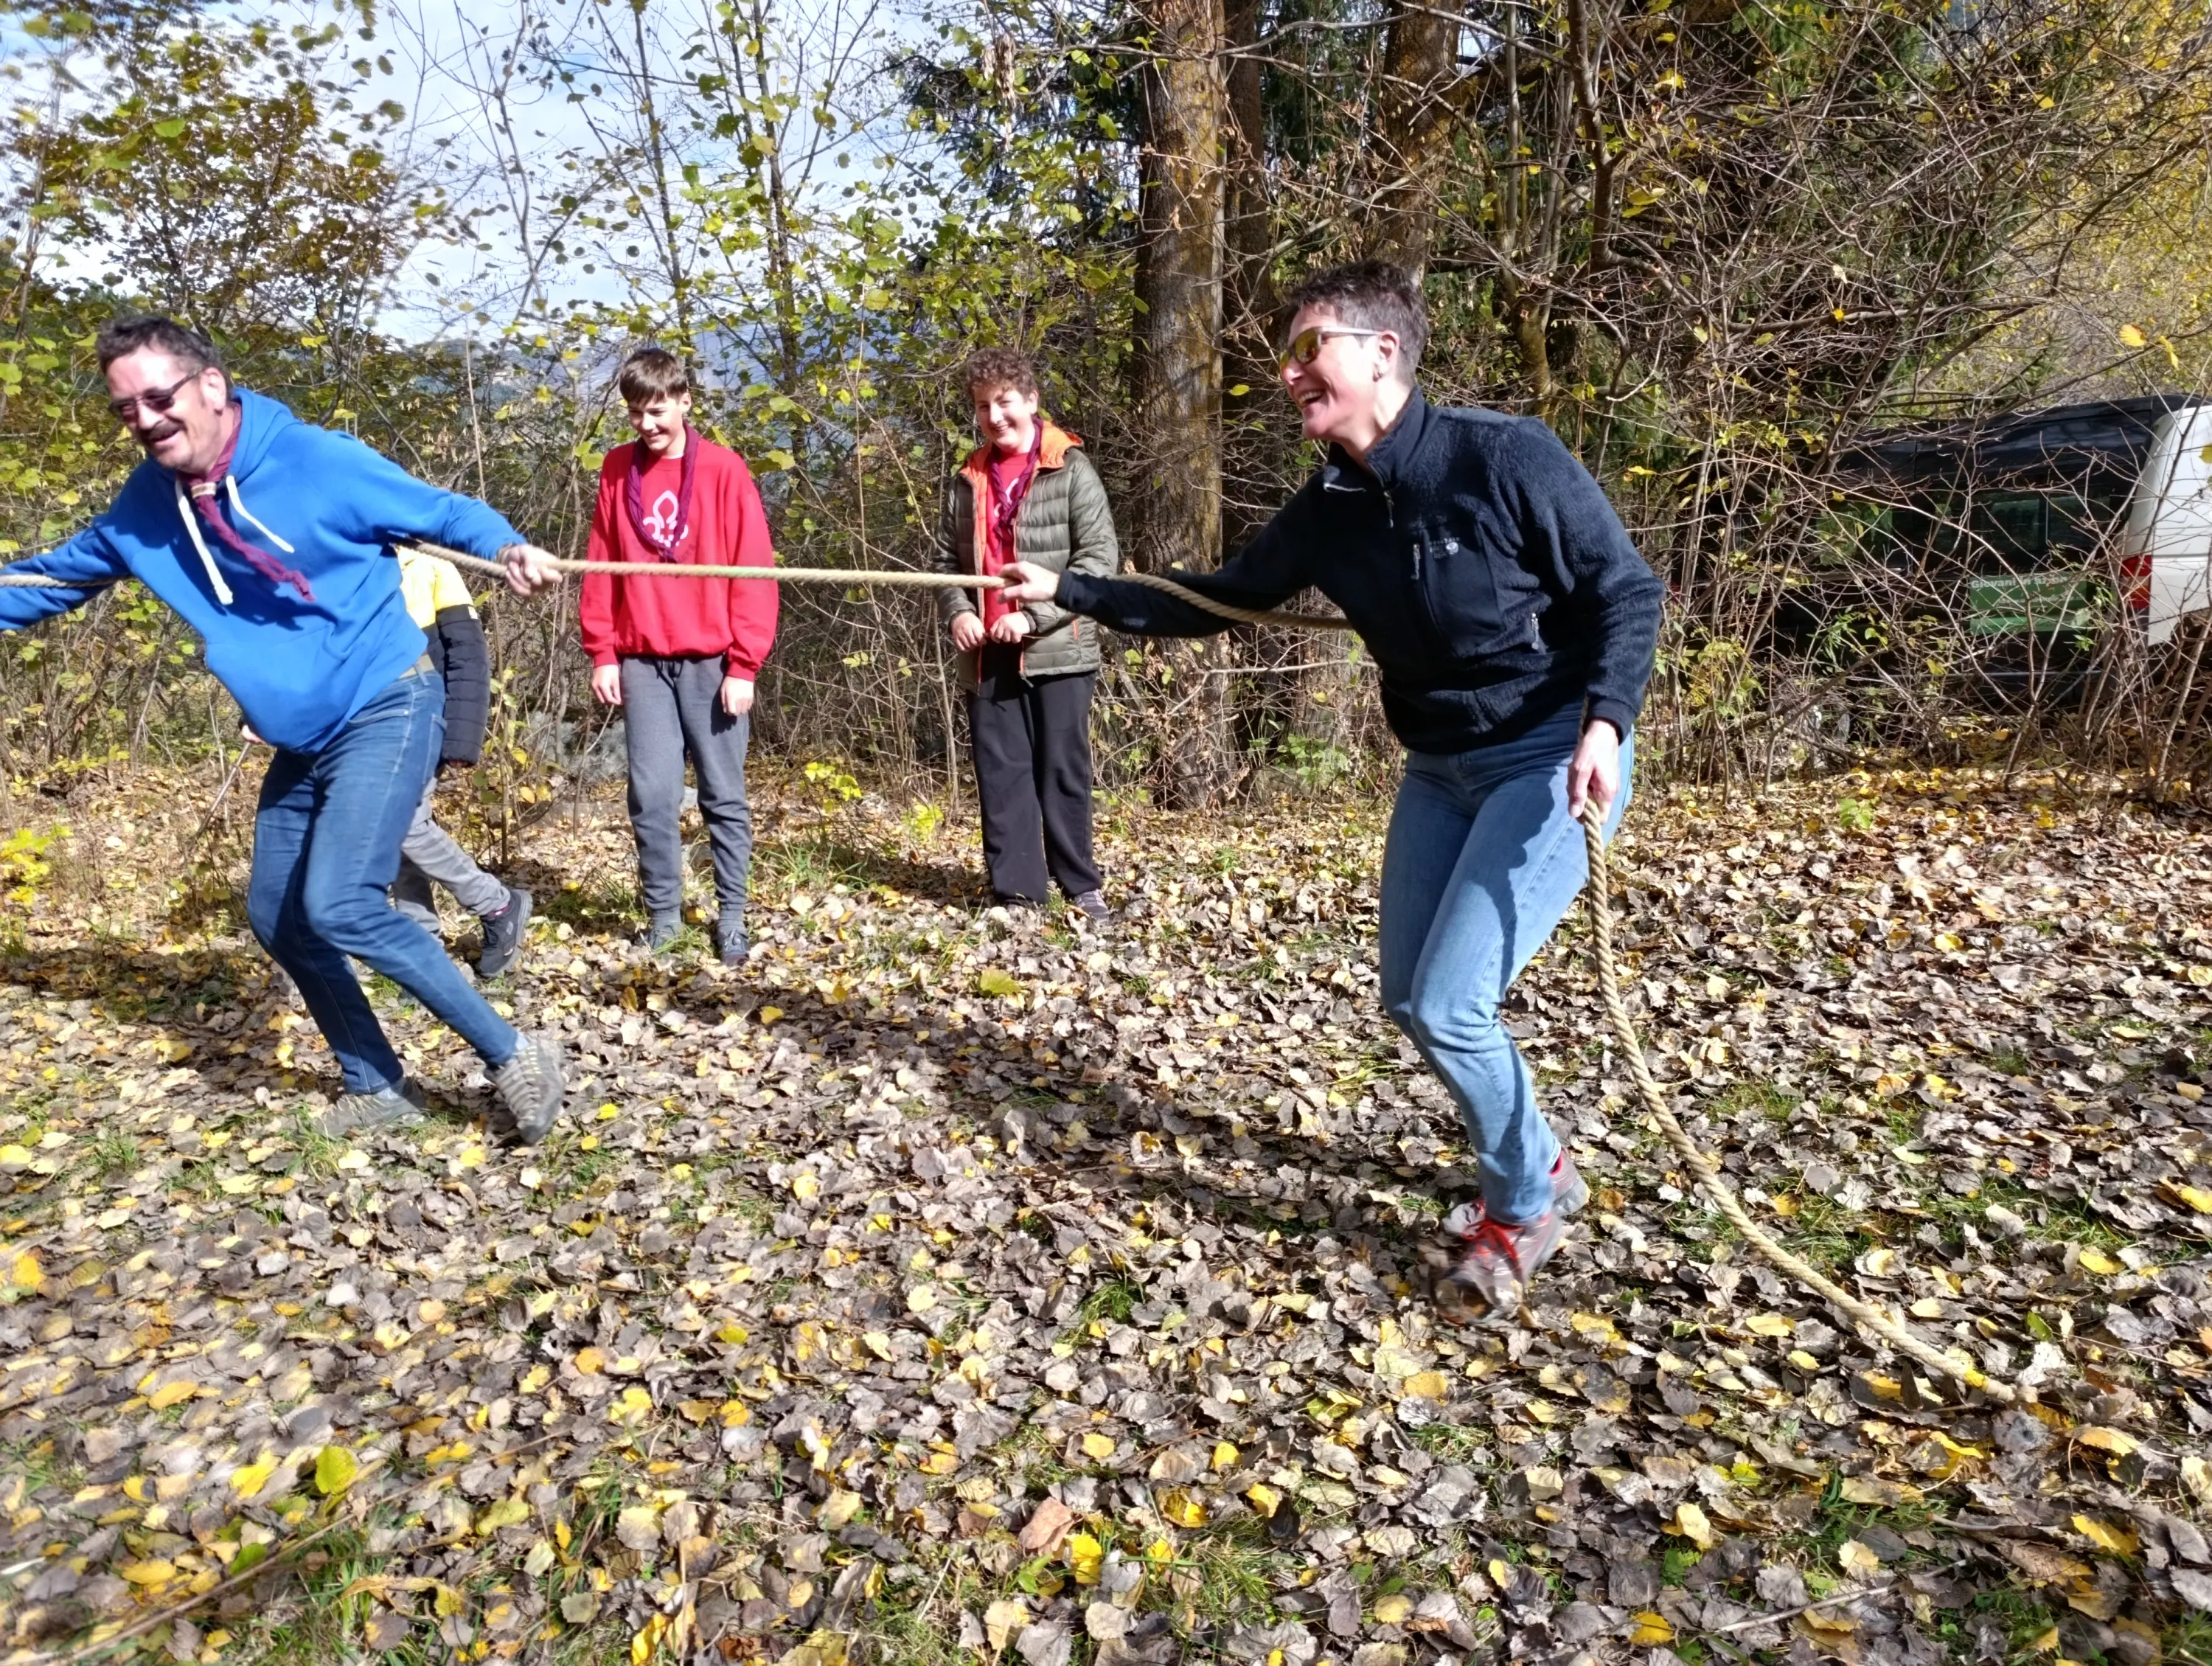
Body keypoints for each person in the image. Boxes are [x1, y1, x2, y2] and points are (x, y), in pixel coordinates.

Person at [1001, 263, 1664, 1315]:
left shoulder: (1504, 457)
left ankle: (1524, 1203)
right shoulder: (1335, 503)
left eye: (1311, 347)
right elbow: (1215, 600)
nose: (1290, 370)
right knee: (1410, 993)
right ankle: (1541, 1159)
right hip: (1441, 771)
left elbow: (1627, 589)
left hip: (1550, 759)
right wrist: (1070, 590)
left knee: (1451, 1006)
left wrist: (1606, 723)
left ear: (1382, 355)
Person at [0, 316, 567, 1143]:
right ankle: (377, 1085)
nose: (147, 420)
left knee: (340, 902)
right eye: (127, 410)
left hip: (388, 702)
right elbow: (50, 577)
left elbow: (442, 510)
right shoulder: (146, 507)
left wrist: (507, 545)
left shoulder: (317, 462)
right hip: (304, 740)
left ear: (212, 388)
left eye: (159, 398)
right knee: (278, 916)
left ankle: (515, 1053)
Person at [577, 348, 777, 965]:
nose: (647, 424)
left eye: (658, 410)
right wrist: (603, 652)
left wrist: (745, 664)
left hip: (712, 662)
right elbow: (600, 562)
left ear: (685, 400)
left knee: (722, 793)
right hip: (641, 660)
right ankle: (664, 915)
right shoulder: (616, 470)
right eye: (636, 413)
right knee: (653, 794)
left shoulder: (723, 470)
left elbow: (755, 571)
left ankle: (733, 915)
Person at [938, 347, 1118, 919]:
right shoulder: (967, 476)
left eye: (1005, 402)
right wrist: (960, 612)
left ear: (1032, 401)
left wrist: (1033, 617)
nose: (995, 416)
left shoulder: (1072, 469)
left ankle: (1080, 884)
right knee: (1001, 773)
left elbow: (1098, 561)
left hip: (1058, 649)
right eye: (984, 406)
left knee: (1062, 771)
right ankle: (1017, 892)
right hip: (987, 653)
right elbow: (945, 564)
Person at [386, 547, 534, 977]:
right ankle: (422, 942)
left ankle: (498, 904)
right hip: (368, 719)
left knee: (405, 823)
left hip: (424, 717)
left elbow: (468, 656)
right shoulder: (344, 559)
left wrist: (460, 737)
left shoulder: (432, 565)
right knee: (395, 827)